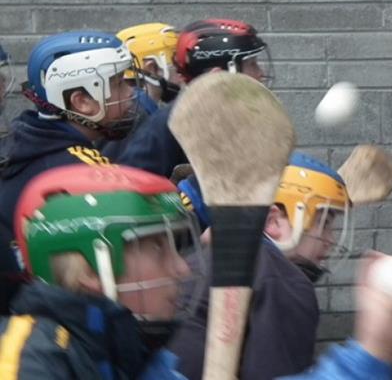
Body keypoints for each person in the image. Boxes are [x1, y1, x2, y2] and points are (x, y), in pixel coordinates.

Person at [0, 163, 201, 379]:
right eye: (157, 248)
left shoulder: (144, 360)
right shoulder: (27, 362)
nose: (183, 269)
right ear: (90, 271)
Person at [170, 152, 355, 379]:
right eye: (323, 223)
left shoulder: (215, 255)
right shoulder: (280, 278)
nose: (330, 240)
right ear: (273, 221)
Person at [0, 31, 138, 313]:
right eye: (118, 84)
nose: (130, 92)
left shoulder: (19, 145)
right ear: (81, 101)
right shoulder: (82, 173)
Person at [114, 18, 273, 178]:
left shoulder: (231, 118)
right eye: (252, 64)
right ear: (218, 77)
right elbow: (128, 190)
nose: (260, 73)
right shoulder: (171, 124)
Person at [102, 23, 182, 161]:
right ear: (151, 67)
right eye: (175, 64)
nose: (181, 73)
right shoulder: (133, 114)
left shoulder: (137, 107)